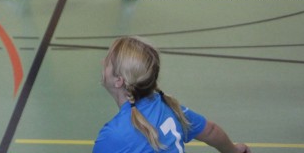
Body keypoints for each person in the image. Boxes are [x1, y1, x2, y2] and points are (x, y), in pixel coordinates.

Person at [95, 36, 250, 153]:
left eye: (107, 62)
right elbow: (210, 131)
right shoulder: (168, 107)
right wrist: (234, 150)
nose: (102, 62)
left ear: (119, 81)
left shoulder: (113, 135)